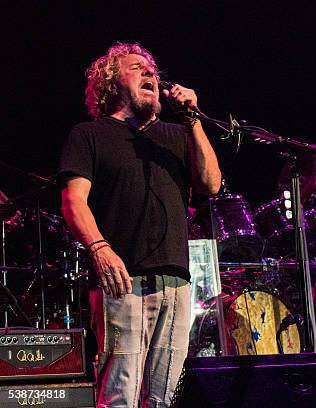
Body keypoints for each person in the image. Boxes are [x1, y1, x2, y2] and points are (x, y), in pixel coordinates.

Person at [59, 42, 221, 407]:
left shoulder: (178, 137)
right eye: (137, 68)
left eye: (153, 70)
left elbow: (210, 184)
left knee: (166, 397)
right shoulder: (89, 135)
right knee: (121, 393)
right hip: (123, 280)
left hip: (176, 282)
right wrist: (99, 249)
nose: (151, 74)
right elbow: (73, 201)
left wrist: (192, 119)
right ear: (111, 83)